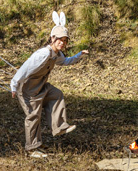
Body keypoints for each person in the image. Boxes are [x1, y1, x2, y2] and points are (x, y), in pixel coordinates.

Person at [10, 11, 89, 158]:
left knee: (56, 94)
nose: (62, 43)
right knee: (33, 116)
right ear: (52, 38)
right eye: (59, 39)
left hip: (40, 87)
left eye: (65, 40)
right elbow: (25, 68)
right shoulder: (43, 54)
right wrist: (14, 85)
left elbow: (65, 61)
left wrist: (79, 55)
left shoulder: (57, 54)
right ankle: (32, 148)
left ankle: (59, 127)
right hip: (27, 89)